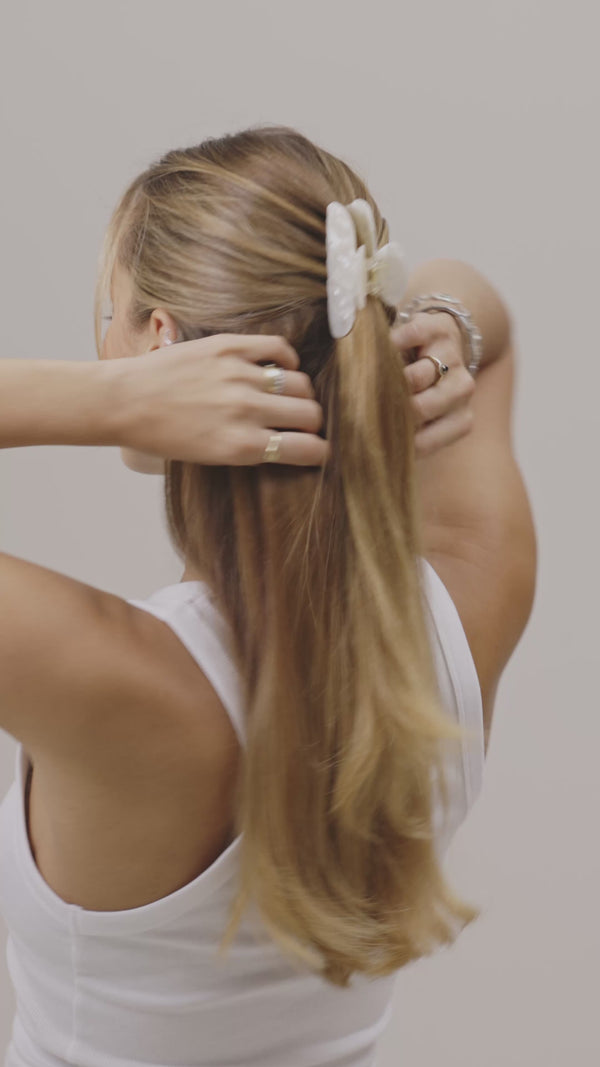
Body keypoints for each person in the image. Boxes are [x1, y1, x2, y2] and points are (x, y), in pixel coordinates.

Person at [0, 124, 536, 1067]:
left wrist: (102, 401)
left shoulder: (114, 685)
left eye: (111, 311)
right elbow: (481, 329)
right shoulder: (466, 601)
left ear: (160, 342)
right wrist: (442, 314)